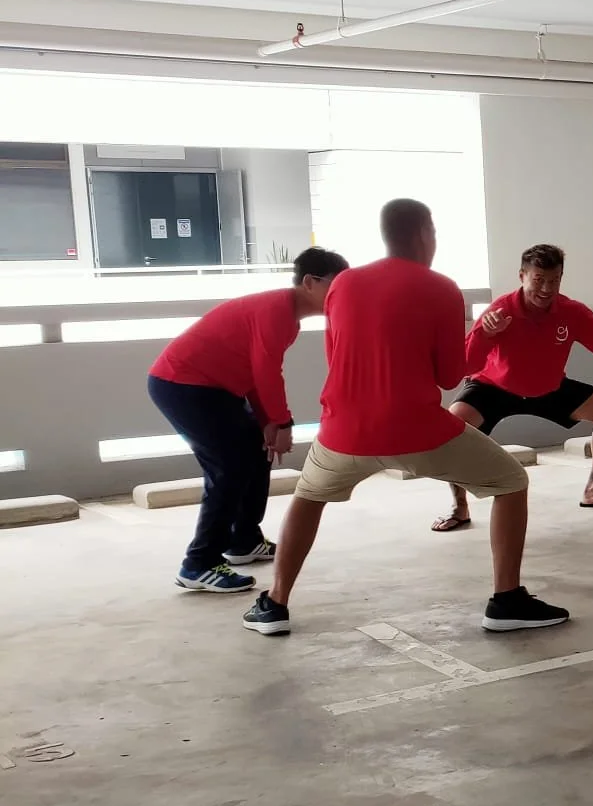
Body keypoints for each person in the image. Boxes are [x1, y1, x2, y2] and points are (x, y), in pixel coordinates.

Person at [240, 199, 569, 636]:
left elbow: (335, 356)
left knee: (307, 497)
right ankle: (506, 600)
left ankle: (274, 604)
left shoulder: (343, 284)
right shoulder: (443, 288)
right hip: (419, 430)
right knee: (511, 482)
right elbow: (451, 374)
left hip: (343, 432)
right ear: (423, 234)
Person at [148, 248, 349, 592]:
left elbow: (257, 373)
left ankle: (243, 540)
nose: (344, 293)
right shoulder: (276, 312)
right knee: (229, 467)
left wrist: (268, 421)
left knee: (256, 452)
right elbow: (267, 371)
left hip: (217, 390)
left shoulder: (287, 318)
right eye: (339, 284)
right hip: (183, 385)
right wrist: (282, 423)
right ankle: (199, 563)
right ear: (310, 283)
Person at [434, 244, 593, 531]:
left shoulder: (572, 311)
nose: (546, 288)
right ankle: (459, 505)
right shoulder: (499, 310)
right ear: (522, 276)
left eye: (554, 280)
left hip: (548, 387)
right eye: (539, 280)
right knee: (452, 426)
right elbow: (466, 366)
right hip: (493, 386)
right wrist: (486, 333)